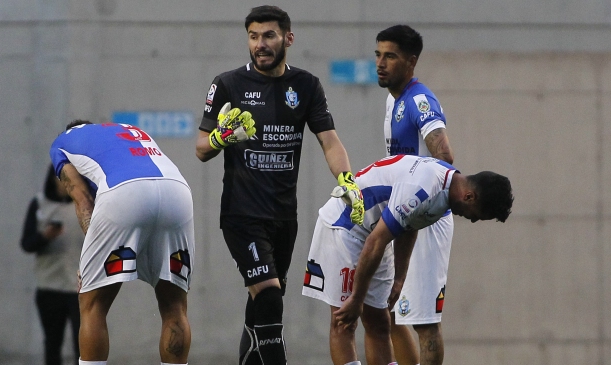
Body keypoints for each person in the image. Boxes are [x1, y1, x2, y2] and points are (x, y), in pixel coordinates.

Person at [195, 5, 364, 365]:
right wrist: (222, 137)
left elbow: (329, 141)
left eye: (269, 36)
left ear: (288, 38)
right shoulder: (227, 83)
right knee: (270, 296)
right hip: (241, 214)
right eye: (254, 37)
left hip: (285, 217)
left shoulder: (305, 85)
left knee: (263, 307)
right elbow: (201, 149)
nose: (260, 44)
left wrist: (347, 179)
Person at [302, 154, 514, 365]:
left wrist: (399, 278)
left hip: (375, 234)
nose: (474, 220)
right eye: (477, 214)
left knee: (380, 323)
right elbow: (375, 242)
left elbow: (409, 225)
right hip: (346, 228)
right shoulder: (423, 189)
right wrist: (357, 298)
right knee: (345, 322)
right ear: (469, 197)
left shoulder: (446, 188)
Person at [50, 120, 195, 365]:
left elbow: (83, 200)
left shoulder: (61, 144)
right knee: (174, 304)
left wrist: (90, 259)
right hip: (178, 194)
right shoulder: (128, 129)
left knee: (92, 303)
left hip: (124, 193)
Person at [375, 25, 455, 365]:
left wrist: (418, 206)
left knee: (423, 322)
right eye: (378, 55)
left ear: (411, 62)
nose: (380, 63)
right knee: (390, 311)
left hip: (423, 218)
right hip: (403, 217)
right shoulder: (393, 98)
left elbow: (445, 156)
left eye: (390, 56)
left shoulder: (419, 100)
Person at [20, 164, 83, 365]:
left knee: (83, 345)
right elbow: (26, 243)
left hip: (81, 287)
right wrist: (44, 237)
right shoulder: (40, 204)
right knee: (53, 343)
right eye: (61, 179)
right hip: (50, 286)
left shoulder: (86, 205)